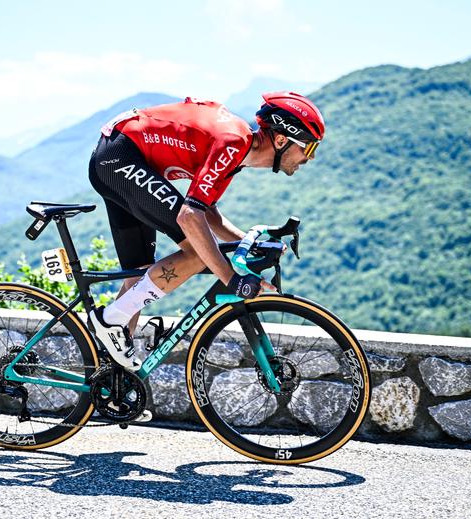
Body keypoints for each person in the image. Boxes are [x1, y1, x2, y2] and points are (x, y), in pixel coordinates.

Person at [87, 92, 325, 370]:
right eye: (308, 148)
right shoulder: (233, 143)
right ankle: (109, 319)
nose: (310, 158)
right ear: (282, 140)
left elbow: (206, 210)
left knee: (140, 275)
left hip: (119, 156)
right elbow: (190, 216)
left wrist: (245, 241)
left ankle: (113, 383)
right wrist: (230, 278)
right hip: (121, 155)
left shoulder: (238, 152)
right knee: (198, 252)